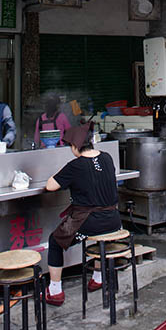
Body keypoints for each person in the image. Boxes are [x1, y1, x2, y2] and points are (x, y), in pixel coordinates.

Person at [44, 122, 121, 306]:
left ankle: (55, 291)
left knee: (55, 242)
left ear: (75, 147)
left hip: (88, 221)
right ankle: (98, 277)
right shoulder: (107, 158)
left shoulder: (75, 165)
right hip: (114, 220)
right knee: (99, 238)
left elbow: (50, 186)